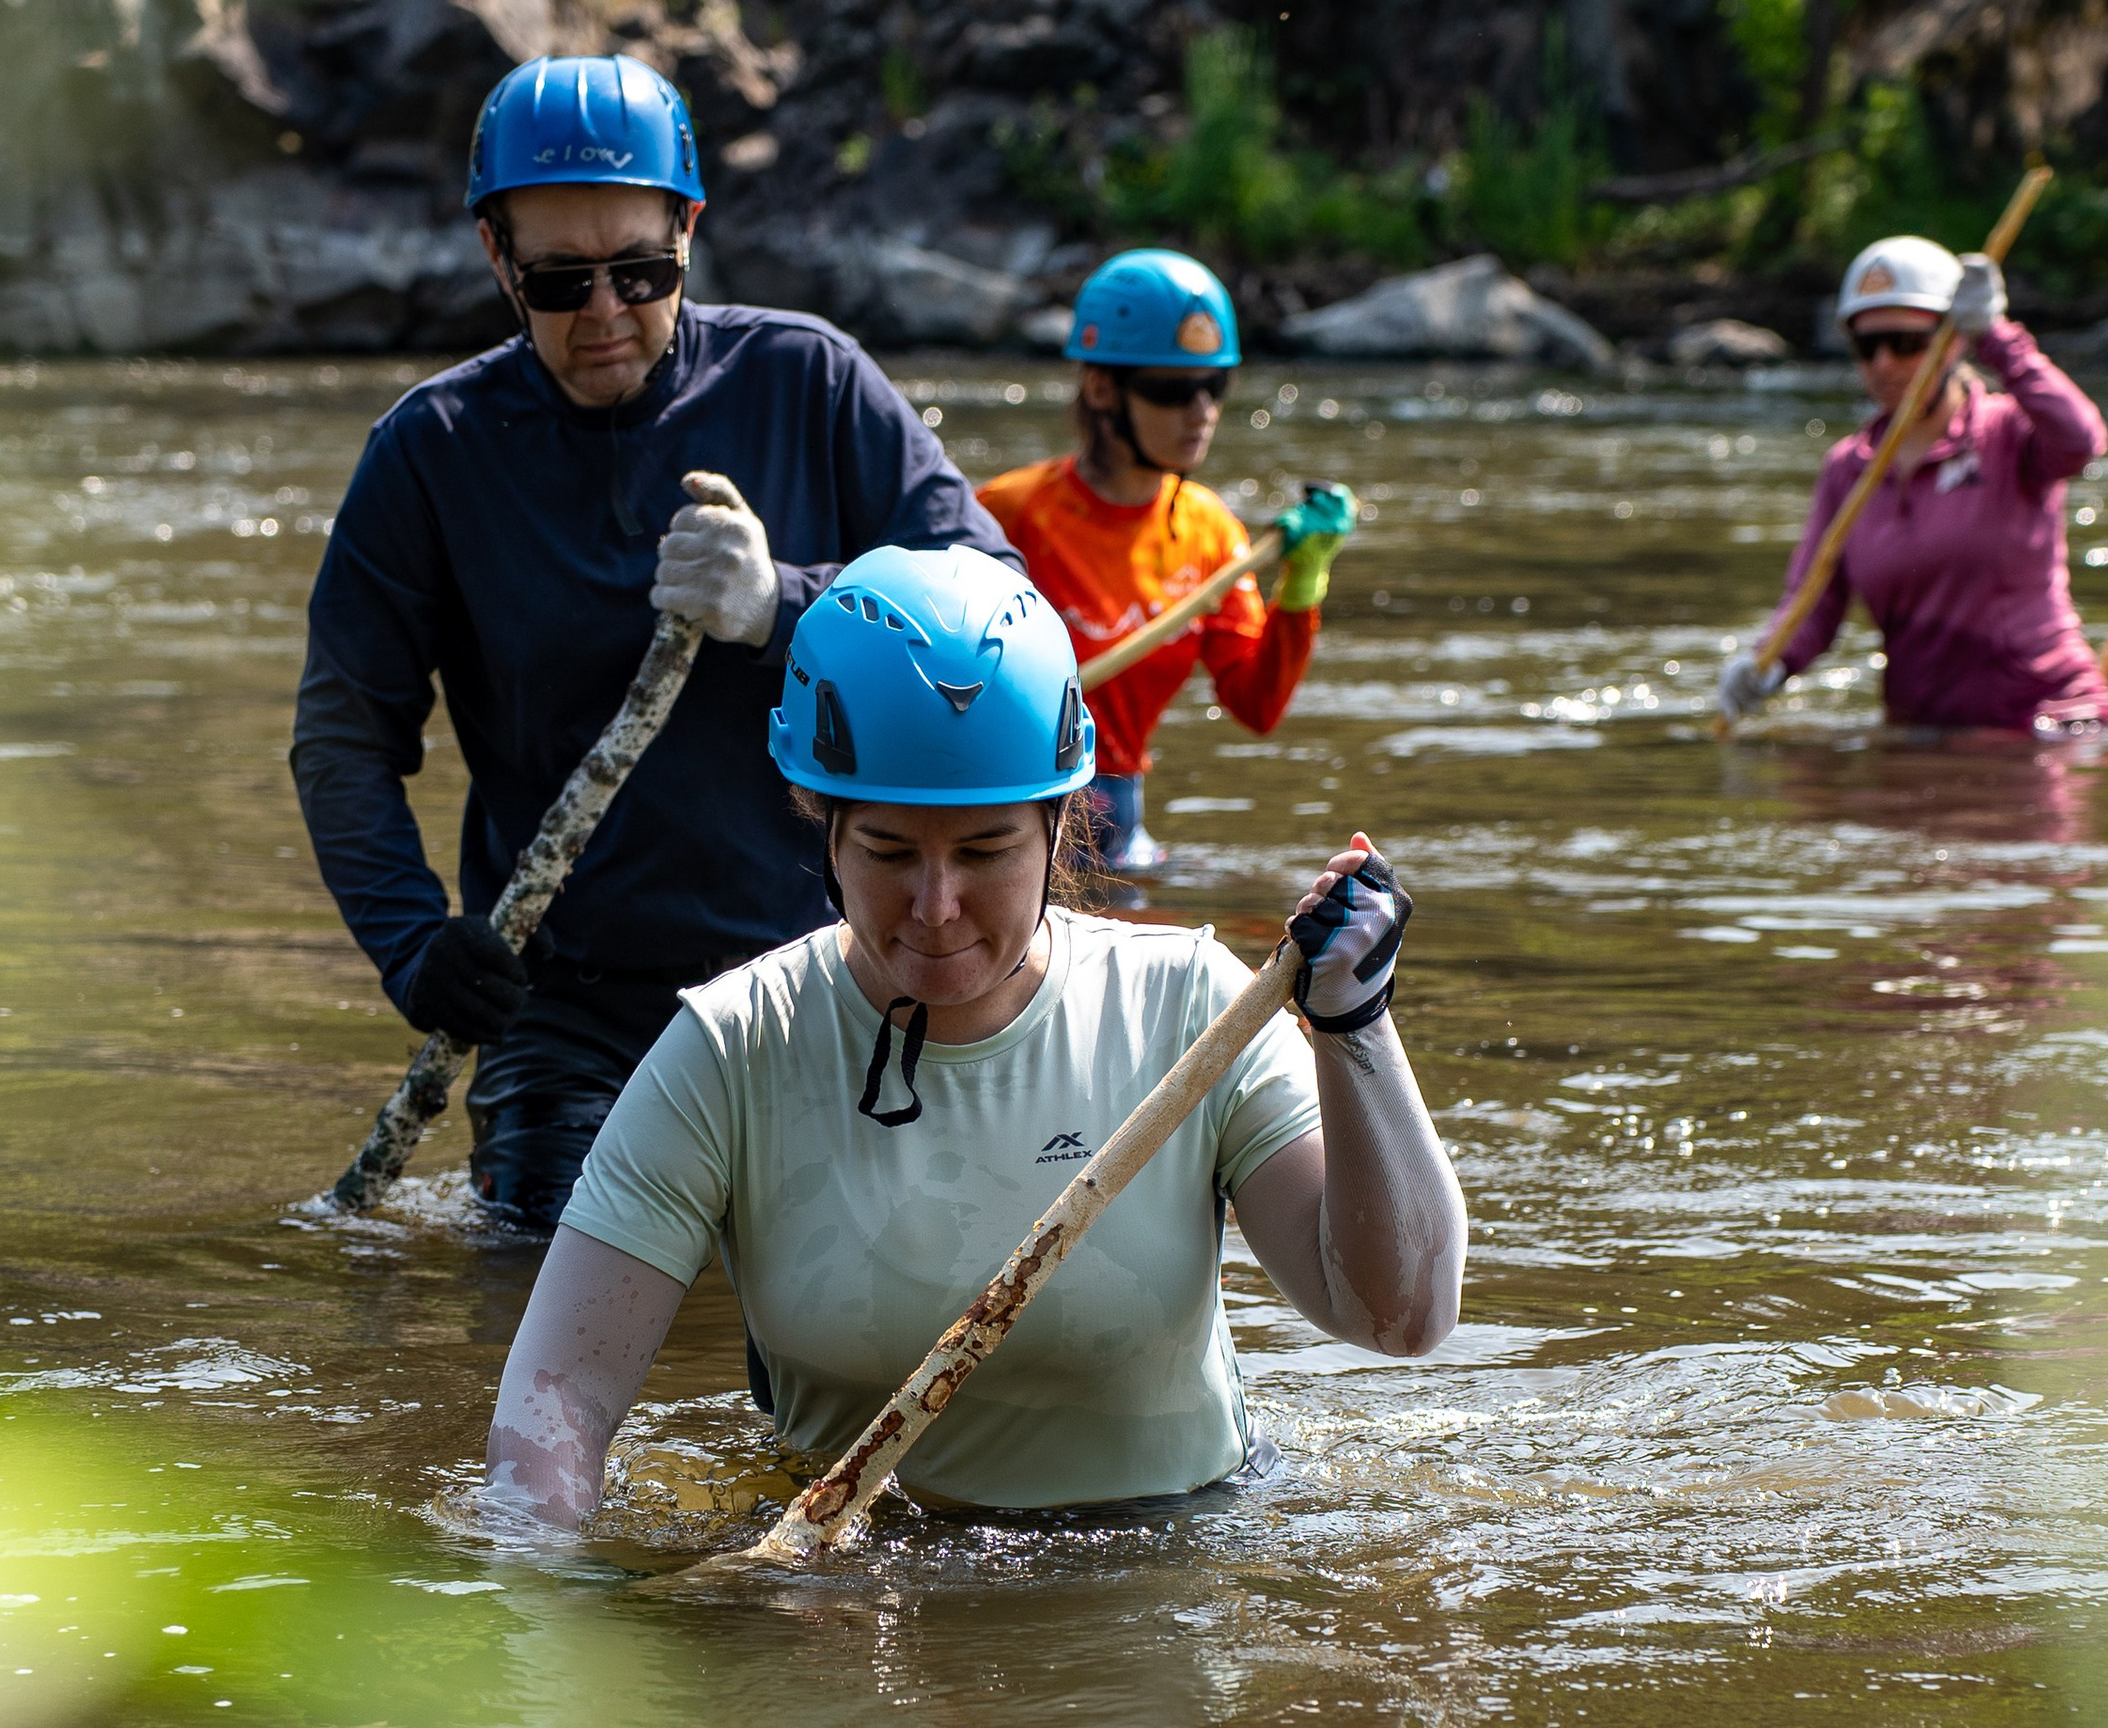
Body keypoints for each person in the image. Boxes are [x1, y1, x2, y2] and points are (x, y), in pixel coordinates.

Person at [484, 543, 1465, 1527]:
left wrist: (1353, 1027)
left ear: (1057, 828)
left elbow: (1397, 1317)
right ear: (821, 827)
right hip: (865, 1592)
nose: (937, 906)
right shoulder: (734, 1047)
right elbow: (559, 1396)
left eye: (987, 851)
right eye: (888, 851)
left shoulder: (1186, 1008)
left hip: (1172, 1562)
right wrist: (540, 1603)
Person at [291, 54, 1014, 1231]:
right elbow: (342, 737)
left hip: (828, 976)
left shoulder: (810, 383)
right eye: (560, 281)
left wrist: (784, 604)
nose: (607, 316)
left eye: (642, 270)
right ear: (495, 256)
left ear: (689, 229)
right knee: (538, 1299)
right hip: (565, 1013)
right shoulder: (430, 454)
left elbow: (996, 611)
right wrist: (414, 944)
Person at [977, 251, 1343, 871]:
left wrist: (1304, 582)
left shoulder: (1210, 532)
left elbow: (1256, 705)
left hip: (1121, 827)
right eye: (1173, 390)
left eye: (1215, 386)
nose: (1201, 412)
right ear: (1101, 389)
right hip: (1003, 818)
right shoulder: (1008, 515)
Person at [1716, 234, 2108, 735]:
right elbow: (1813, 602)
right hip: (1925, 732)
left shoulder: (2008, 436)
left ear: (1951, 344)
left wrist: (1996, 336)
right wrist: (1766, 664)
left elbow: (2081, 438)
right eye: (1868, 346)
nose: (1885, 363)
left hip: (2044, 723)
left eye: (1907, 344)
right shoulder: (1847, 470)